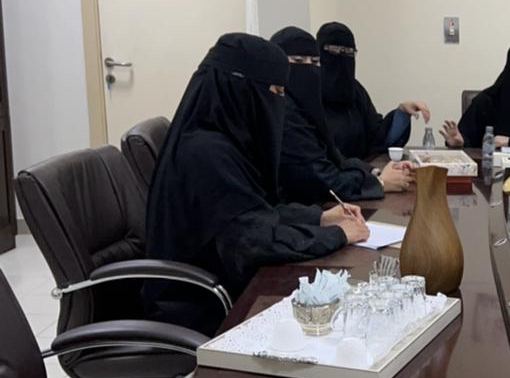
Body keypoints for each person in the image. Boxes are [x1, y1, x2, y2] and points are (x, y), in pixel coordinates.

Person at [146, 33, 369, 333]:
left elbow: (256, 211)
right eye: (275, 91)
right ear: (242, 91)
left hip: (226, 283)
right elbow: (253, 242)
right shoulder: (206, 153)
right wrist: (338, 235)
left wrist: (321, 217)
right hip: (202, 305)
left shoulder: (225, 142)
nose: (279, 103)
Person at [271, 27, 413, 202]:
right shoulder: (284, 112)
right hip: (300, 206)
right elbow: (316, 176)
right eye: (298, 60)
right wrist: (379, 183)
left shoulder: (310, 103)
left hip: (327, 199)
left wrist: (374, 172)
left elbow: (334, 157)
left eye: (314, 61)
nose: (309, 67)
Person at [318, 21, 430, 160]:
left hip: (363, 170)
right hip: (327, 171)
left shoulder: (355, 91)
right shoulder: (310, 95)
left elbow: (377, 137)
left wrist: (402, 113)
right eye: (335, 50)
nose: (343, 57)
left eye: (349, 52)